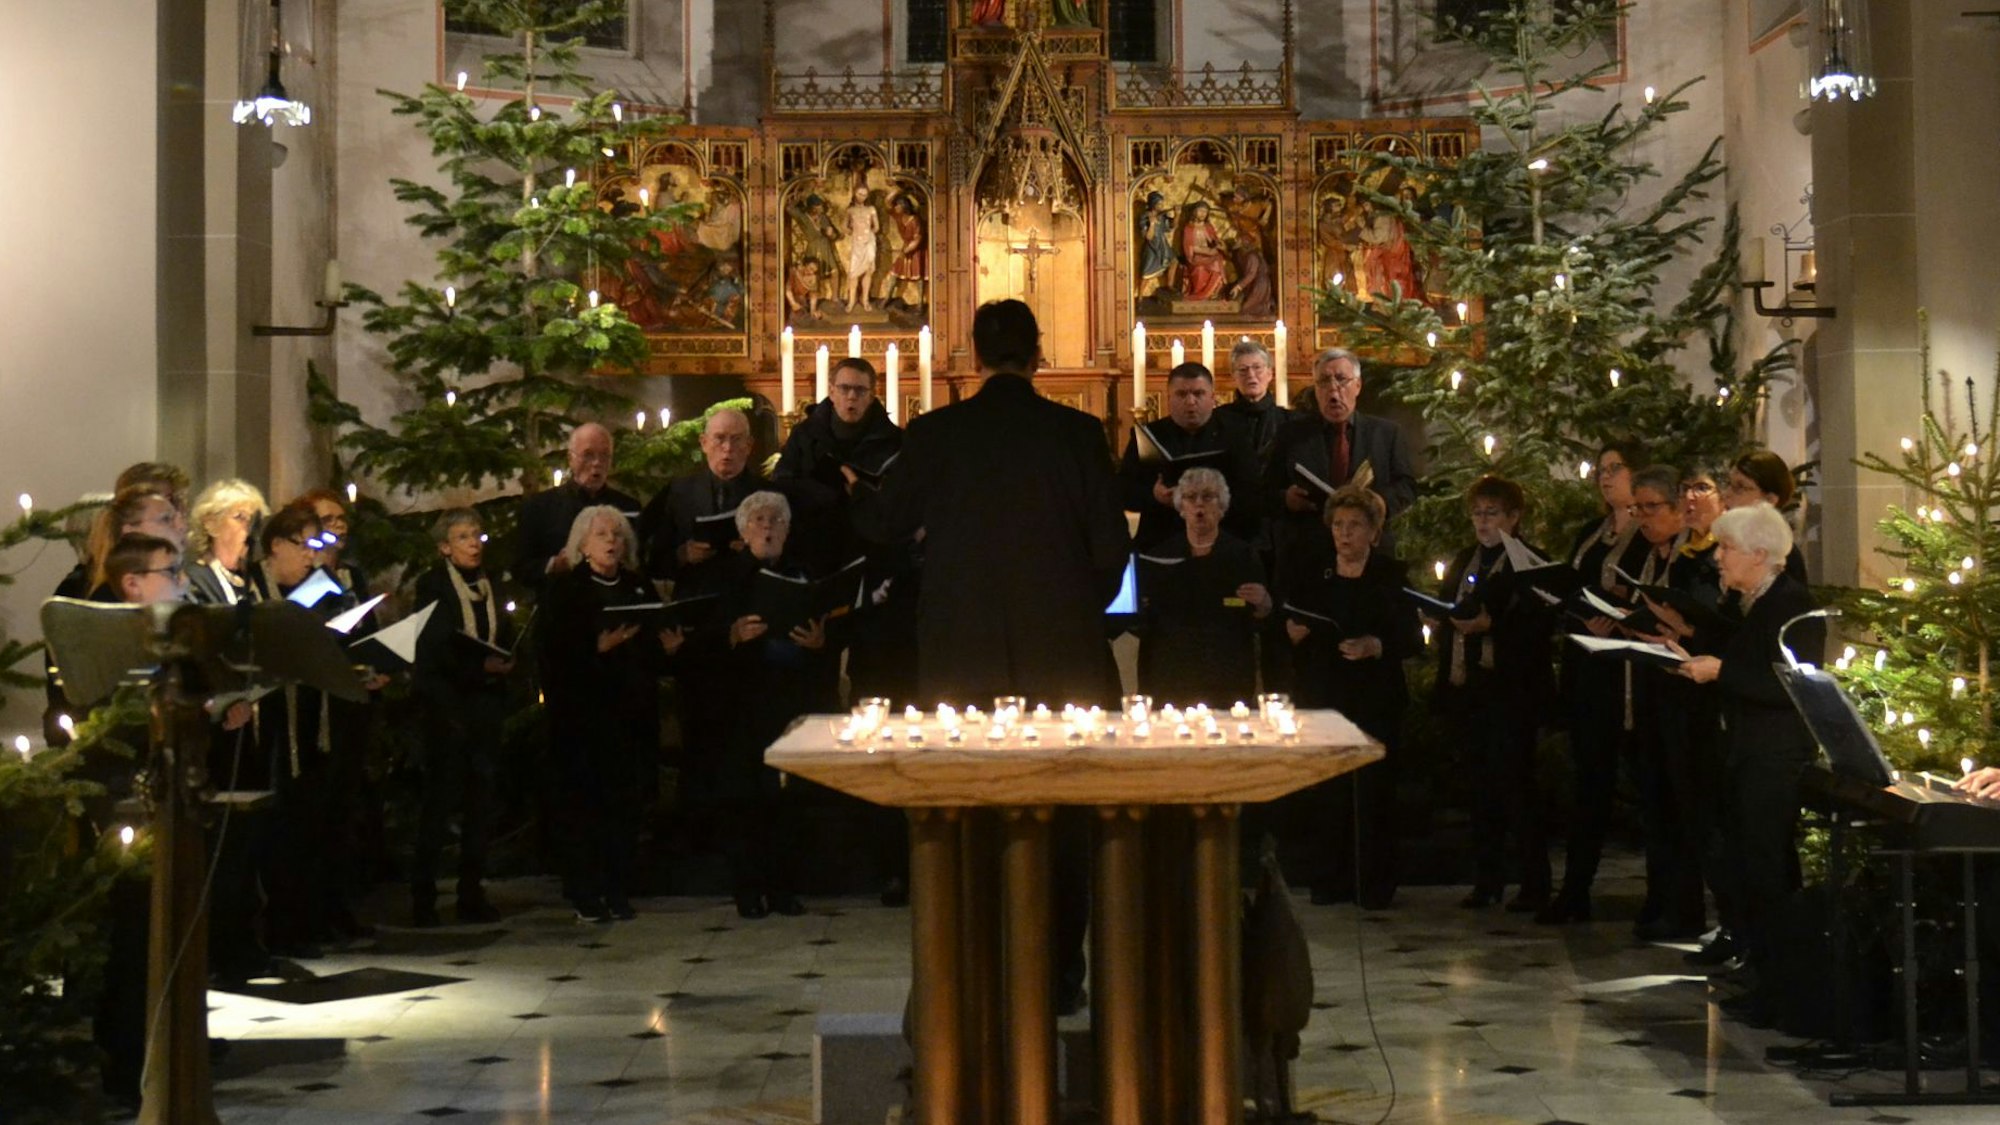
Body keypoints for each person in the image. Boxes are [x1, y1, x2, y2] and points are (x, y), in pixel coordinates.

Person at [850, 298, 1128, 1015]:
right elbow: (1109, 553)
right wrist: (1069, 613)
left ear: (975, 358)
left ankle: (972, 962)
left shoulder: (937, 433)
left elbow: (887, 523)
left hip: (959, 659)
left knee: (966, 808)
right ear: (1037, 356)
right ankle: (1063, 970)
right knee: (1064, 812)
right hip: (1062, 658)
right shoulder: (1077, 433)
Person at [1666, 503, 1823, 1027]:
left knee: (1768, 872)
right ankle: (1764, 980)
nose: (1717, 558)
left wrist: (1721, 671)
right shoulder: (1756, 602)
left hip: (1775, 756)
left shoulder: (1794, 604)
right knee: (1750, 871)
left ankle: (1782, 990)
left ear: (1760, 555)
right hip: (1750, 752)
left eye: (1727, 548)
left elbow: (1789, 684)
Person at [539, 506, 683, 922]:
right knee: (585, 808)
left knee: (626, 806)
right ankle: (585, 891)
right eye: (601, 534)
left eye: (618, 535)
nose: (611, 541)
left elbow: (655, 638)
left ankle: (618, 888)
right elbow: (552, 655)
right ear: (582, 544)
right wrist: (595, 650)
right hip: (583, 720)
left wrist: (667, 648)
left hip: (631, 715)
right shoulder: (566, 590)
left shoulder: (638, 586)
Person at [1279, 484, 1418, 908]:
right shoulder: (1313, 574)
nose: (1344, 534)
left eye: (1355, 526)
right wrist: (1292, 632)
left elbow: (1412, 637)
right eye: (1338, 525)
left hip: (1374, 695)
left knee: (1373, 792)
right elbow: (1288, 622)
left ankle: (1374, 884)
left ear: (1374, 532)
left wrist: (1376, 645)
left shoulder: (1390, 575)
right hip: (1325, 692)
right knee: (1329, 792)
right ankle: (1331, 879)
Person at [704, 491, 837, 918]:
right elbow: (701, 637)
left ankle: (784, 888)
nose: (768, 527)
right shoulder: (725, 576)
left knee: (787, 802)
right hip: (743, 702)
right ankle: (748, 889)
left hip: (792, 701)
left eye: (776, 521)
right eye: (759, 520)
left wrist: (820, 642)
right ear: (743, 532)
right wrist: (731, 635)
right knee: (746, 800)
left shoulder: (804, 572)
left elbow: (826, 629)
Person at [1538, 441, 1655, 925]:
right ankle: (1576, 889)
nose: (1606, 478)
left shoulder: (1649, 534)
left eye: (1616, 468)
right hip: (1588, 667)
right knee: (1589, 785)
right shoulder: (1593, 532)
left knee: (1647, 788)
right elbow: (1572, 584)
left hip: (1628, 676)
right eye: (1602, 470)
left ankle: (1661, 894)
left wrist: (1623, 617)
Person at [1429, 476, 1553, 912]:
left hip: (1511, 691)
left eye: (1492, 513)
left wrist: (1492, 626)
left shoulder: (1530, 562)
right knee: (1480, 789)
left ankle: (1535, 882)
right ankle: (1488, 878)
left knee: (1517, 789)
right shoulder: (1468, 557)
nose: (1482, 521)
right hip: (1472, 689)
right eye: (1477, 513)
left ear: (1514, 518)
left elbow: (1540, 627)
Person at [409, 508, 515, 927]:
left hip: (485, 706)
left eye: (477, 536)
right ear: (444, 548)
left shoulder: (492, 583)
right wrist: (478, 668)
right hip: (445, 707)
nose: (474, 544)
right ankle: (423, 897)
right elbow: (434, 646)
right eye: (463, 537)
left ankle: (472, 893)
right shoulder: (432, 586)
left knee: (479, 802)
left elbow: (501, 631)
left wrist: (504, 660)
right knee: (438, 803)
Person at [293, 487, 387, 946]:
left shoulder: (353, 574)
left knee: (347, 808)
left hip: (352, 700)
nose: (339, 526)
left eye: (342, 519)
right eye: (328, 519)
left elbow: (363, 630)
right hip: (317, 707)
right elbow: (308, 631)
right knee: (318, 812)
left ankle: (341, 906)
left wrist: (376, 666)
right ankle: (312, 912)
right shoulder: (305, 578)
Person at [1620, 465, 1705, 942]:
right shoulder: (1646, 554)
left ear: (1678, 508)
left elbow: (1697, 622)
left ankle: (1686, 907)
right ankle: (1658, 900)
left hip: (1684, 697)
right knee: (1654, 803)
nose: (1643, 517)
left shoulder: (1696, 560)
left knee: (1681, 807)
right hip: (1649, 689)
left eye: (1651, 507)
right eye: (1637, 507)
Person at [1264, 348, 1417, 566]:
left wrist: (1378, 503)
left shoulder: (1386, 434)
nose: (1334, 391)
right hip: (1308, 554)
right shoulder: (1291, 435)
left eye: (1342, 380)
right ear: (1316, 389)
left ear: (1358, 386)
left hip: (1371, 554)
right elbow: (1266, 492)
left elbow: (1407, 488)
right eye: (1324, 381)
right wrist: (1285, 499)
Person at [1130, 467, 1271, 704]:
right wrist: (1139, 609)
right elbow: (1140, 623)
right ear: (1181, 508)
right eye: (1190, 497)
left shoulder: (1243, 556)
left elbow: (1260, 620)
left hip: (1225, 674)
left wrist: (1264, 604)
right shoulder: (1157, 556)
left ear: (1222, 506)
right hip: (1169, 674)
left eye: (1207, 497)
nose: (1199, 505)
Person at [1119, 362, 1260, 551]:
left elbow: (1252, 492)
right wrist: (1154, 496)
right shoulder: (1147, 437)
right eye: (1182, 394)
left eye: (1199, 393)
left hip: (1224, 541)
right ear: (1168, 399)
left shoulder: (1235, 435)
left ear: (1213, 398)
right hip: (1162, 538)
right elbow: (1123, 491)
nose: (1191, 401)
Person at [638, 408, 766, 593]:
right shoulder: (679, 492)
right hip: (695, 599)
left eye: (736, 439)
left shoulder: (766, 495)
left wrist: (756, 552)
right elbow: (653, 558)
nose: (727, 448)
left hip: (749, 598)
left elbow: (787, 559)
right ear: (704, 443)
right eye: (719, 438)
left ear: (749, 445)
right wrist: (682, 555)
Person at [517, 423, 642, 597]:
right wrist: (554, 565)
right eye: (588, 455)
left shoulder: (628, 508)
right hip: (561, 607)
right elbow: (521, 569)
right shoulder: (540, 507)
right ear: (571, 458)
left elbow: (640, 564)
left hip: (616, 606)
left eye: (605, 456)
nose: (597, 463)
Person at [1723, 449, 1808, 582]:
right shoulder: (1735, 542)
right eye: (1728, 484)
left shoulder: (1782, 555)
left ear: (1770, 500)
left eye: (1739, 487)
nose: (1726, 494)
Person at [185, 479, 271, 606]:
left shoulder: (259, 578)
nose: (249, 527)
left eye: (253, 520)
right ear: (211, 524)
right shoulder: (194, 580)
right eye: (240, 517)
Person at [1215, 340, 1290, 460]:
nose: (1251, 374)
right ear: (1233, 376)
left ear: (1270, 373)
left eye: (1257, 368)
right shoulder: (1217, 420)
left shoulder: (1288, 422)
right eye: (1243, 369)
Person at [1180, 202, 1228, 301]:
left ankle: (1212, 293)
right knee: (1200, 269)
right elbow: (1189, 247)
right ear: (1194, 212)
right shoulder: (1188, 228)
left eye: (1205, 212)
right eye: (1201, 211)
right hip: (1196, 257)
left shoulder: (1208, 226)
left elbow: (1213, 240)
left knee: (1217, 262)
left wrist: (1218, 244)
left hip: (1209, 256)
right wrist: (1206, 251)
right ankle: (1199, 294)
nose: (1203, 214)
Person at [843, 185, 879, 312]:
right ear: (854, 194)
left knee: (868, 272)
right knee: (853, 274)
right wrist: (853, 232)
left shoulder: (871, 209)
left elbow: (876, 227)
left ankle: (865, 300)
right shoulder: (850, 210)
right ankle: (852, 300)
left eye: (864, 194)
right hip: (856, 244)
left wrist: (868, 235)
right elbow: (844, 227)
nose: (861, 197)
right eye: (859, 194)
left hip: (869, 243)